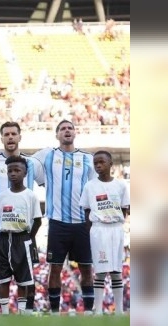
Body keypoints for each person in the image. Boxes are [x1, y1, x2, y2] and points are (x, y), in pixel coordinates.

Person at [0, 122, 45, 315]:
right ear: (1, 139)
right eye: (6, 134)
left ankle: (27, 313)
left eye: (13, 133)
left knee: (27, 274)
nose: (10, 137)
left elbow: (46, 182)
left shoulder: (31, 163)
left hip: (24, 231)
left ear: (19, 137)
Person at [32, 120, 96, 314]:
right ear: (57, 135)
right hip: (57, 222)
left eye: (70, 128)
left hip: (82, 222)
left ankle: (89, 311)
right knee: (55, 268)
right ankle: (54, 312)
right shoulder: (47, 154)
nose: (67, 131)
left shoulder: (87, 158)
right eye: (62, 129)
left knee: (86, 268)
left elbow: (94, 188)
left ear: (75, 133)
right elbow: (24, 162)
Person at [81, 150, 130, 315]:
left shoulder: (121, 185)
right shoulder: (90, 186)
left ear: (111, 164)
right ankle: (98, 311)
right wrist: (93, 229)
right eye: (95, 163)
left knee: (116, 271)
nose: (98, 165)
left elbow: (124, 209)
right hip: (98, 229)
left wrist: (115, 220)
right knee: (100, 271)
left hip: (116, 229)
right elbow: (86, 211)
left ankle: (119, 311)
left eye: (102, 162)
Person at [0, 156, 43, 315]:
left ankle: (22, 313)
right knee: (3, 278)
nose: (13, 173)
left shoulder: (31, 196)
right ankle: (5, 313)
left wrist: (29, 237)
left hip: (22, 239)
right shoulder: (1, 196)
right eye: (10, 171)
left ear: (25, 173)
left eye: (17, 170)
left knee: (23, 279)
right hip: (3, 239)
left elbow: (37, 221)